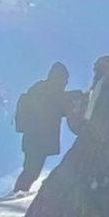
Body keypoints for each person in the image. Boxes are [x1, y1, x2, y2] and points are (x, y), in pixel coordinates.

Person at [13, 62, 71, 192]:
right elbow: (61, 104)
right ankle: (18, 194)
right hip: (37, 139)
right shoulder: (46, 91)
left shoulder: (42, 90)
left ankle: (19, 193)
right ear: (57, 78)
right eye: (64, 80)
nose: (65, 84)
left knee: (31, 171)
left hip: (35, 139)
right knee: (31, 171)